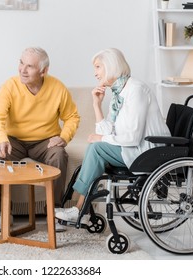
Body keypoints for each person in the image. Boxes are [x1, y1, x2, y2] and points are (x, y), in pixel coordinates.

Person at [55, 48, 171, 223]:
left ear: (111, 66)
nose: (95, 73)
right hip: (134, 149)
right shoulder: (119, 93)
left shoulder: (135, 90)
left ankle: (78, 209)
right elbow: (107, 130)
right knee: (97, 147)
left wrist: (101, 139)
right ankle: (80, 209)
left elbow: (132, 136)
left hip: (148, 151)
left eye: (98, 67)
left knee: (97, 148)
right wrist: (97, 105)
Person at [0, 46, 80, 211]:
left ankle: (54, 209)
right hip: (14, 141)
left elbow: (72, 117)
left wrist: (63, 137)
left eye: (29, 66)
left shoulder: (58, 88)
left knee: (59, 155)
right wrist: (1, 139)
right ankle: (3, 210)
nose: (22, 70)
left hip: (45, 142)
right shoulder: (10, 86)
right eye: (21, 63)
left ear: (43, 71)